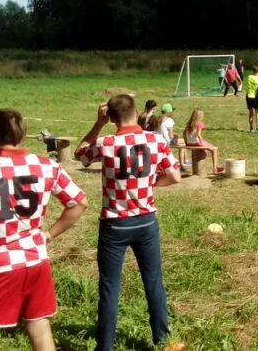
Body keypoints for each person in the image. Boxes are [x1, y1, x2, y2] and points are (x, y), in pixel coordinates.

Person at [0, 109, 88, 351]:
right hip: (37, 263)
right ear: (22, 136)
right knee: (39, 329)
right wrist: (49, 234)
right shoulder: (46, 166)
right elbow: (79, 203)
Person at [76, 95, 182, 351]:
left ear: (110, 117)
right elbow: (175, 176)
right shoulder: (155, 140)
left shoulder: (106, 142)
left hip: (114, 224)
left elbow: (81, 155)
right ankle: (162, 339)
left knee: (110, 287)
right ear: (137, 112)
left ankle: (105, 347)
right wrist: (150, 185)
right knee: (153, 281)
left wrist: (98, 124)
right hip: (145, 222)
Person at [245, 65, 258, 133]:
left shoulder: (248, 77)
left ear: (253, 71)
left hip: (248, 96)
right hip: (255, 97)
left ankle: (251, 128)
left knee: (251, 113)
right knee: (257, 112)